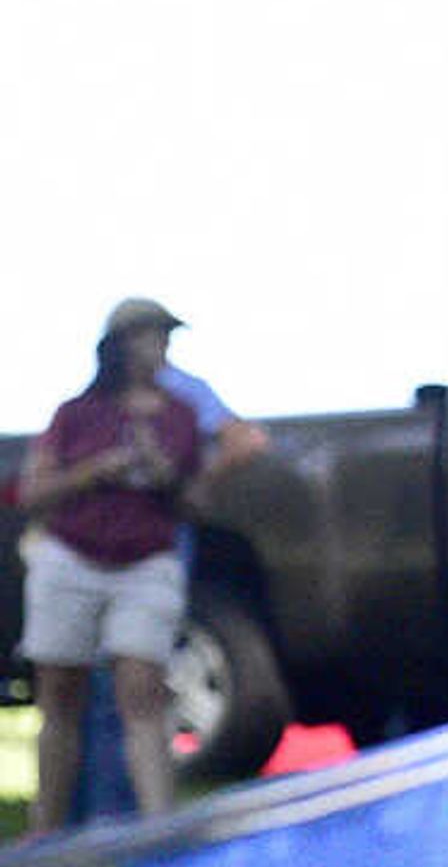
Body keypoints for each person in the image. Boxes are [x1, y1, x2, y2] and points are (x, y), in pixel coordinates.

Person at [16, 298, 209, 833]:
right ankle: (46, 833)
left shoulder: (180, 417)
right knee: (60, 695)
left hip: (146, 562)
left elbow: (196, 503)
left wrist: (162, 471)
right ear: (120, 345)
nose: (163, 348)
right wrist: (94, 471)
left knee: (143, 690)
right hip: (71, 558)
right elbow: (32, 492)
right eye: (153, 336)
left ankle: (158, 830)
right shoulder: (75, 415)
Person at [69, 335, 272, 819]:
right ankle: (108, 816)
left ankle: (127, 818)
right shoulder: (94, 402)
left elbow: (246, 439)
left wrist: (195, 481)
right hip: (101, 556)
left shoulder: (181, 394)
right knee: (106, 688)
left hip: (151, 555)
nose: (158, 347)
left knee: (134, 683)